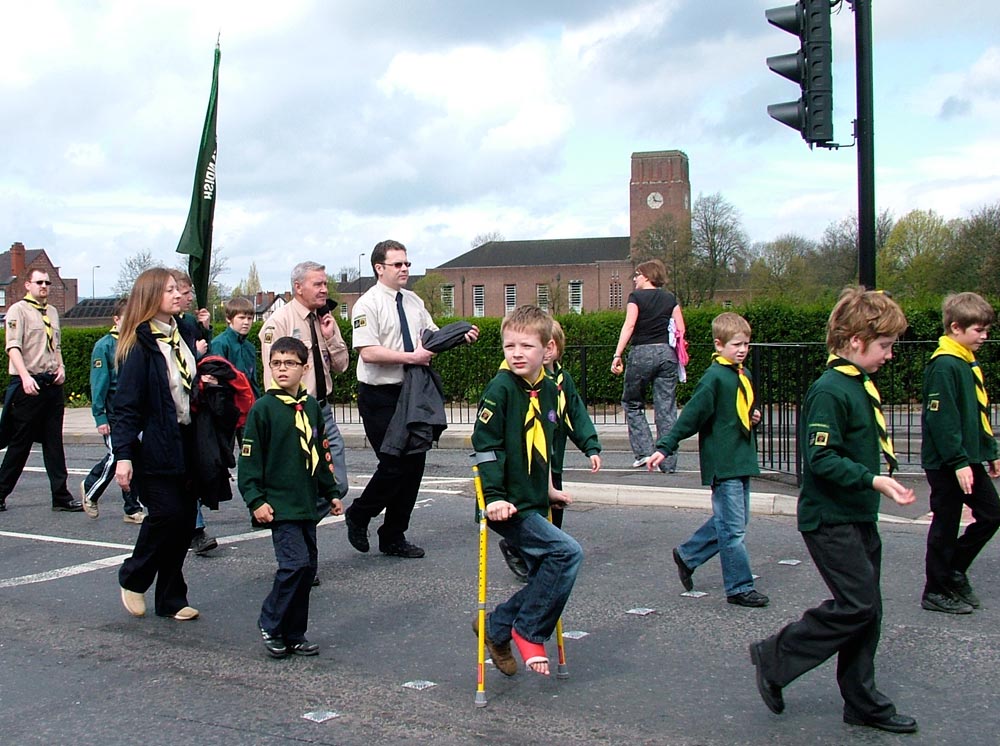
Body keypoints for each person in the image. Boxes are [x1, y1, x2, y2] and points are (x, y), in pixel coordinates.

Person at [749, 287, 918, 735]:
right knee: (858, 604)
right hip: (830, 518)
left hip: (858, 514)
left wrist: (874, 483)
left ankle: (861, 701)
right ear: (856, 340)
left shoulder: (858, 383)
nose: (890, 355)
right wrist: (873, 479)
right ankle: (776, 655)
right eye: (885, 346)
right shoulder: (830, 389)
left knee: (869, 609)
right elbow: (820, 458)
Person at [344, 240, 478, 558]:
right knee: (393, 465)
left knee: (414, 465)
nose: (405, 269)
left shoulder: (414, 301)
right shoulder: (367, 304)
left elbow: (429, 336)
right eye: (398, 264)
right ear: (380, 268)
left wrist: (459, 335)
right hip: (380, 396)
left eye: (407, 263)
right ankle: (359, 514)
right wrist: (412, 357)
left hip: (412, 392)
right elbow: (368, 352)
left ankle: (393, 535)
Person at [472, 305, 583, 677]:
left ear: (547, 349)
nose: (517, 353)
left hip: (534, 496)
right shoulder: (500, 389)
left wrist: (550, 487)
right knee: (566, 554)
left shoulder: (549, 389)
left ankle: (497, 627)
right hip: (507, 503)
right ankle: (528, 631)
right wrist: (494, 498)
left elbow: (548, 443)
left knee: (546, 577)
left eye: (526, 346)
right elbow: (485, 446)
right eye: (509, 346)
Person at [648, 312, 767, 607]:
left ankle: (689, 554)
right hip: (723, 462)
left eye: (746, 344)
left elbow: (742, 410)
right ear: (719, 344)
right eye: (736, 344)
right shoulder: (714, 378)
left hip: (742, 459)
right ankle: (739, 587)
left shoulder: (743, 375)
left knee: (733, 522)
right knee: (734, 528)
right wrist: (665, 446)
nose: (742, 350)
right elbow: (691, 417)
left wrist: (753, 418)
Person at [239, 337, 342, 658]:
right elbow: (249, 461)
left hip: (306, 504)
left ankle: (294, 632)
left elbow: (320, 453)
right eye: (276, 363)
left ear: (305, 368)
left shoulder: (310, 407)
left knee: (307, 568)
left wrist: (331, 491)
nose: (282, 369)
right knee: (294, 565)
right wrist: (256, 500)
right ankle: (270, 621)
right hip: (279, 504)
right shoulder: (264, 409)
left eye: (290, 363)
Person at [114, 268, 202, 622]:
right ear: (152, 297)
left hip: (186, 439)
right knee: (166, 515)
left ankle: (171, 598)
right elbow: (126, 406)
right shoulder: (141, 344)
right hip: (154, 443)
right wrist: (122, 456)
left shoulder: (183, 332)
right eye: (169, 290)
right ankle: (133, 576)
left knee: (183, 522)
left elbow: (185, 383)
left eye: (178, 289)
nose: (177, 294)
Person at [499, 318, 601, 581]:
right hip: (528, 461)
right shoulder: (515, 383)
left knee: (553, 511)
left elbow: (576, 415)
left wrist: (591, 446)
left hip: (551, 460)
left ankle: (546, 556)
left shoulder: (561, 382)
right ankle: (522, 549)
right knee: (528, 511)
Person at [920, 292, 1000, 614]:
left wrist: (989, 450)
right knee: (946, 522)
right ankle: (935, 589)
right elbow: (942, 419)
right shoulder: (945, 365)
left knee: (993, 514)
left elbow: (975, 414)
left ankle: (952, 570)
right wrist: (957, 462)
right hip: (947, 462)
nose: (985, 336)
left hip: (966, 458)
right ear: (956, 327)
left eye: (986, 330)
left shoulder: (965, 361)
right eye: (978, 330)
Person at [259, 261, 350, 508]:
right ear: (298, 287)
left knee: (338, 483)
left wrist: (331, 337)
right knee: (300, 481)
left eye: (325, 284)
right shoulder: (279, 323)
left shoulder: (324, 319)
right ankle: (294, 530)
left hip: (322, 411)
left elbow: (342, 366)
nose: (324, 289)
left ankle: (297, 522)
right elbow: (272, 377)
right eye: (317, 284)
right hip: (294, 412)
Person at [0, 268, 82, 512]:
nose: (44, 286)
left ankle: (60, 496)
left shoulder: (52, 312)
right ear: (28, 285)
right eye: (39, 282)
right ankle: (1, 492)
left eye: (47, 282)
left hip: (51, 384)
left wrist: (62, 368)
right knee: (20, 443)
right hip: (29, 384)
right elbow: (13, 347)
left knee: (54, 442)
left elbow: (54, 345)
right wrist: (25, 377)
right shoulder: (18, 310)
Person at [610, 258, 686, 472]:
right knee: (666, 408)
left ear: (648, 276)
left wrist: (617, 354)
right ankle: (667, 461)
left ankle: (644, 453)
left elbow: (630, 324)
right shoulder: (670, 298)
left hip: (642, 351)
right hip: (666, 353)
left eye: (637, 274)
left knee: (632, 402)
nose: (635, 278)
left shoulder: (636, 297)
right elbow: (680, 328)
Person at [80, 297, 145, 523]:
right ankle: (90, 488)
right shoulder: (105, 346)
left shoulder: (137, 343)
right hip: (114, 413)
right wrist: (99, 416)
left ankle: (131, 508)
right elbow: (99, 384)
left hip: (134, 413)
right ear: (116, 319)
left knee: (133, 458)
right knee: (117, 457)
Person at [172, 270, 217, 555]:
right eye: (181, 292)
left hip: (193, 406)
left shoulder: (188, 323)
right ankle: (191, 528)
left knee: (196, 467)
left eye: (188, 293)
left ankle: (194, 527)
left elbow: (201, 356)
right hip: (171, 412)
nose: (186, 298)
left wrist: (206, 329)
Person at [211, 296, 262, 400]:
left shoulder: (250, 347)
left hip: (248, 403)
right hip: (229, 405)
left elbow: (253, 382)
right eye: (241, 318)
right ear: (228, 319)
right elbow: (217, 381)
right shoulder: (219, 344)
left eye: (250, 318)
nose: (246, 322)